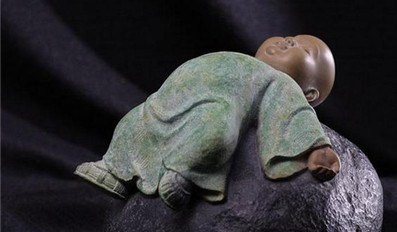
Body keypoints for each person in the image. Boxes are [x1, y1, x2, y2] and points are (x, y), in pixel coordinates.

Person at [75, 35, 341, 209]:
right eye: (290, 37)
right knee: (136, 120)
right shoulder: (238, 58)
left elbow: (295, 113)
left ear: (309, 94)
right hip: (171, 99)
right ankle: (113, 169)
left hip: (216, 108)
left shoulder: (280, 83)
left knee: (216, 133)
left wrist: (318, 148)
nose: (290, 41)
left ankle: (182, 176)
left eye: (306, 50)